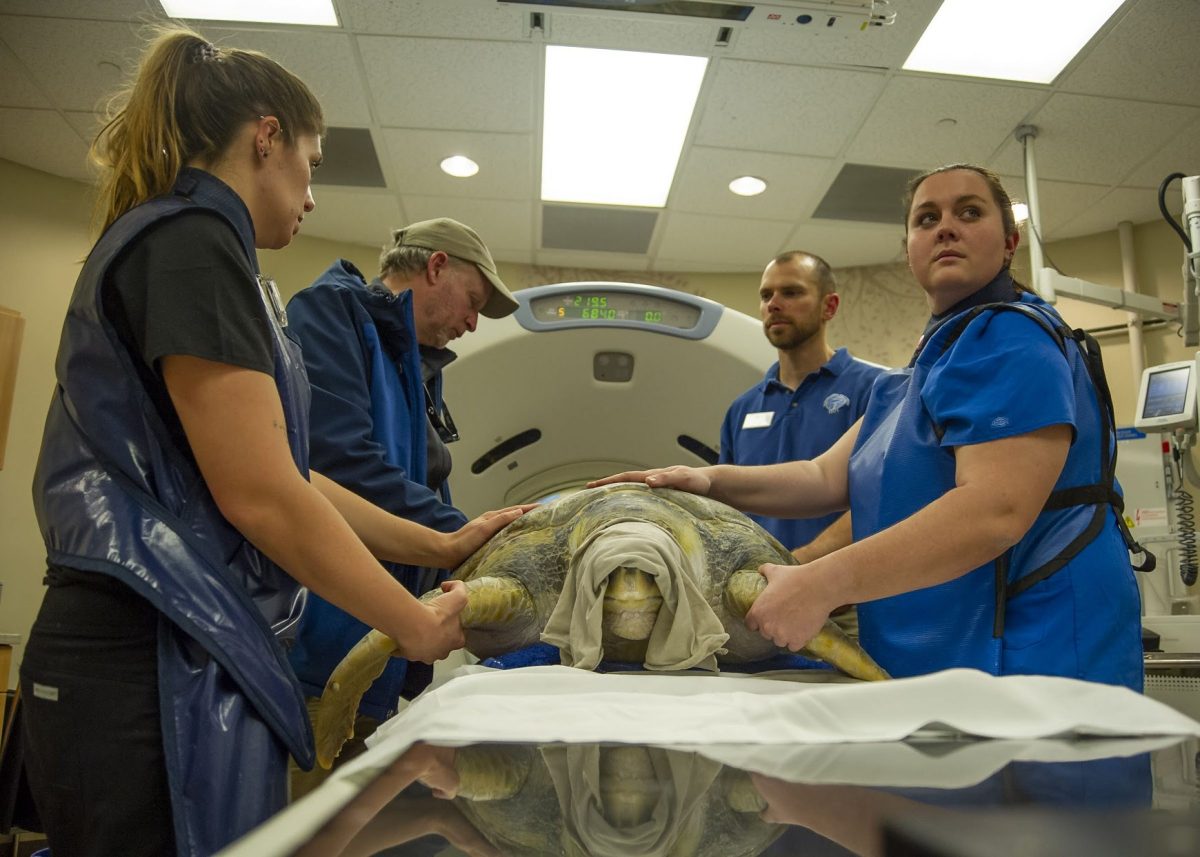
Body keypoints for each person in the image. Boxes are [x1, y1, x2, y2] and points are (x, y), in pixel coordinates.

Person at [19, 27, 526, 857]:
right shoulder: (189, 246)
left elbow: (290, 473)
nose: (313, 195)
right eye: (312, 164)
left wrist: (442, 540)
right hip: (135, 650)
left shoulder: (222, 263)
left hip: (182, 637)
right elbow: (260, 495)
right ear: (267, 137)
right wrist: (413, 623)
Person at [592, 164, 1144, 692]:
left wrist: (818, 582)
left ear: (1008, 241)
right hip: (963, 642)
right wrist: (707, 481)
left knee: (1052, 787)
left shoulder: (1009, 339)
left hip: (1037, 640)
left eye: (969, 212)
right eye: (926, 219)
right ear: (909, 250)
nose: (945, 226)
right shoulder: (928, 367)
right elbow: (821, 476)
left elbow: (995, 510)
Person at [285, 220, 517, 775]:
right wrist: (478, 544)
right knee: (315, 823)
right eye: (473, 302)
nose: (471, 322)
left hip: (383, 652)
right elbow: (344, 466)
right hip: (324, 645)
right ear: (436, 268)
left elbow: (415, 482)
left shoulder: (417, 365)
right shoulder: (331, 314)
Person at [719, 251, 883, 602]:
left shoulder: (875, 391)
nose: (774, 304)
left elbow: (884, 502)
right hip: (758, 599)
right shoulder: (742, 409)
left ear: (829, 306)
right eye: (766, 295)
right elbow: (728, 515)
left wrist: (801, 564)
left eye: (791, 293)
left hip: (846, 600)